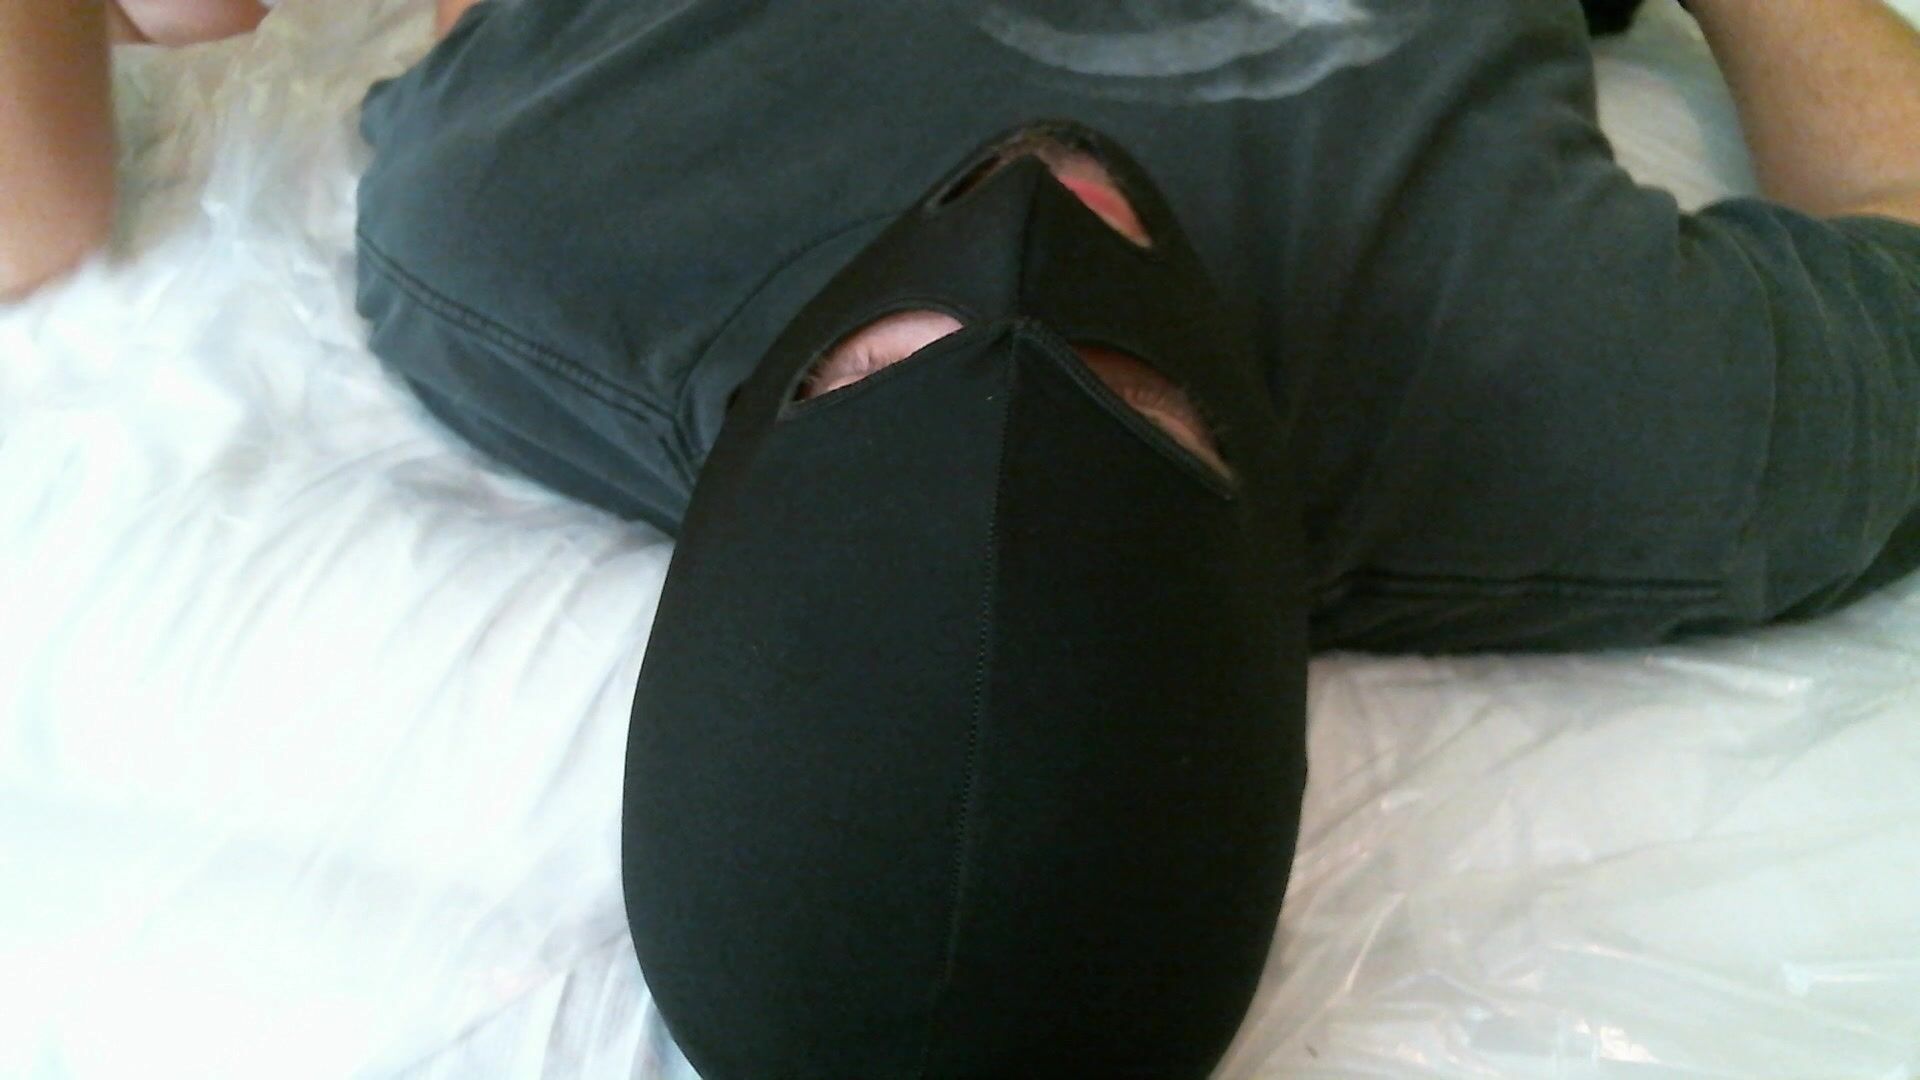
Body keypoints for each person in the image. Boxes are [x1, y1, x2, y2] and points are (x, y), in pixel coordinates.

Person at [6, 0, 1919, 1075]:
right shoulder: (1631, 423)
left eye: (872, 379)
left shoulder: (512, 237)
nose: (1037, 212)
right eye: (1130, 400)